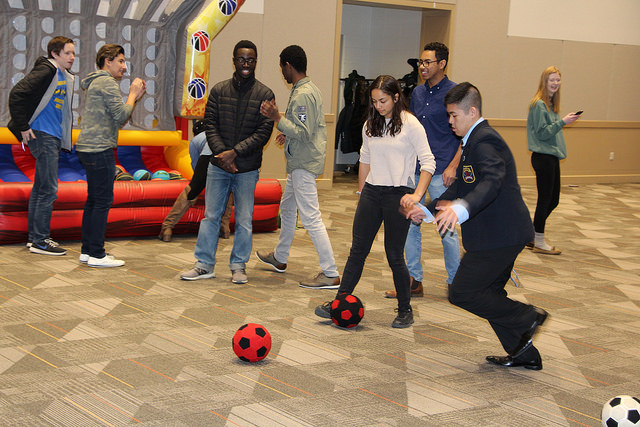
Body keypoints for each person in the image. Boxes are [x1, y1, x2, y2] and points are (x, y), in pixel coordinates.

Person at [406, 82, 547, 369]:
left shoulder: (485, 141)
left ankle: (528, 317)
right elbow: (461, 184)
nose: (450, 121)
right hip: (499, 234)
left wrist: (462, 208)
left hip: (500, 235)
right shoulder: (471, 141)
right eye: (448, 115)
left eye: (454, 115)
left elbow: (492, 181)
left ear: (472, 112)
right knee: (489, 295)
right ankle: (523, 353)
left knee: (461, 292)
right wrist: (427, 210)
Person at [315, 75, 435, 328]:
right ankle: (339, 302)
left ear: (396, 97)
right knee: (357, 251)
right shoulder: (370, 124)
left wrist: (416, 196)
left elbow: (428, 163)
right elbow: (365, 159)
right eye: (374, 101)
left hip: (398, 195)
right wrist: (362, 194)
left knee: (394, 255)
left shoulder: (411, 124)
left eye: (383, 101)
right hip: (371, 192)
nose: (378, 106)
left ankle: (405, 309)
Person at [180, 40, 275, 283]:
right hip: (218, 166)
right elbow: (210, 126)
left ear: (256, 62)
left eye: (251, 60)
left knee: (244, 220)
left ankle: (238, 266)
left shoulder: (265, 94)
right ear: (234, 61)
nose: (246, 64)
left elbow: (263, 132)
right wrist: (223, 155)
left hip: (247, 168)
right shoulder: (219, 91)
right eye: (241, 59)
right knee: (211, 216)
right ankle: (204, 265)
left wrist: (234, 153)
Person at [256, 45, 341, 289]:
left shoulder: (303, 94)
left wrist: (277, 118)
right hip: (300, 162)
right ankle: (280, 257)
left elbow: (303, 132)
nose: (282, 72)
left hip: (303, 164)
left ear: (288, 66)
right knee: (287, 208)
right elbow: (306, 127)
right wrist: (286, 132)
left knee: (311, 217)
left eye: (281, 67)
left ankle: (330, 272)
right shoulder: (307, 89)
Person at [384, 42, 461, 299]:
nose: (422, 66)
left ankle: (456, 284)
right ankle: (413, 281)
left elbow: (465, 135)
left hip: (442, 172)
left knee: (446, 230)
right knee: (409, 227)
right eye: (421, 62)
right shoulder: (417, 93)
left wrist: (453, 166)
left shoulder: (454, 93)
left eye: (428, 62)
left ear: (442, 64)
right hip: (416, 171)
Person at [75, 44, 146, 267]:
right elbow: (121, 116)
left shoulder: (96, 81)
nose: (124, 67)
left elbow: (115, 116)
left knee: (93, 200)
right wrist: (132, 94)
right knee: (102, 201)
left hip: (88, 147)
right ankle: (97, 254)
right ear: (108, 61)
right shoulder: (106, 82)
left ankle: (88, 250)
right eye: (121, 61)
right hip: (99, 148)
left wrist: (135, 98)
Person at [7, 36, 76, 256]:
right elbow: (17, 93)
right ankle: (40, 240)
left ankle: (35, 238)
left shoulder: (63, 75)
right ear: (55, 54)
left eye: (73, 53)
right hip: (43, 135)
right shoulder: (47, 70)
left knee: (41, 188)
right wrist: (23, 126)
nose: (72, 57)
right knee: (48, 189)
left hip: (52, 136)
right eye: (67, 53)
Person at [527, 66, 580, 255]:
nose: (555, 83)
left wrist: (562, 121)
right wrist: (563, 122)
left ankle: (532, 234)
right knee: (545, 200)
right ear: (544, 82)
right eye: (552, 80)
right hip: (543, 157)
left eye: (558, 80)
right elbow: (542, 133)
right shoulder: (539, 104)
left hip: (551, 156)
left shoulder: (550, 104)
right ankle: (539, 241)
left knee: (553, 199)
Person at [158, 120, 233, 242]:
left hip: (208, 156)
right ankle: (224, 228)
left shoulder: (195, 140)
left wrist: (198, 181)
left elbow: (195, 163)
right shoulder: (218, 132)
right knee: (226, 191)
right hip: (227, 155)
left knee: (191, 191)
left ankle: (167, 227)